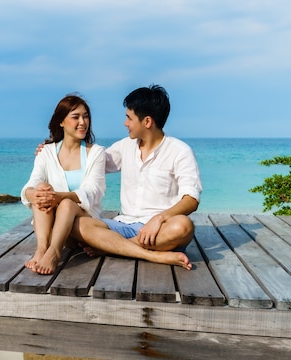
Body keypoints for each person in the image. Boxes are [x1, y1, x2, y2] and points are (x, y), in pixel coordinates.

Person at [71, 84, 202, 270]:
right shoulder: (125, 146)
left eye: (129, 118)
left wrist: (159, 219)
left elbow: (191, 199)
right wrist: (53, 150)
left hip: (160, 232)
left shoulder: (180, 151)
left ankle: (111, 247)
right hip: (123, 225)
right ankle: (149, 254)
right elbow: (92, 163)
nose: (125, 123)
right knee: (77, 223)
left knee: (183, 226)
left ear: (147, 122)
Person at [21, 94, 106, 275]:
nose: (83, 122)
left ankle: (54, 252)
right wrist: (33, 194)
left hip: (84, 226)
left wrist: (59, 197)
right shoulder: (47, 152)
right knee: (42, 187)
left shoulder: (96, 153)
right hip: (54, 228)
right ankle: (42, 248)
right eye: (76, 117)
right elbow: (32, 182)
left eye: (86, 116)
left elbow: (93, 191)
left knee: (66, 203)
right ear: (61, 121)